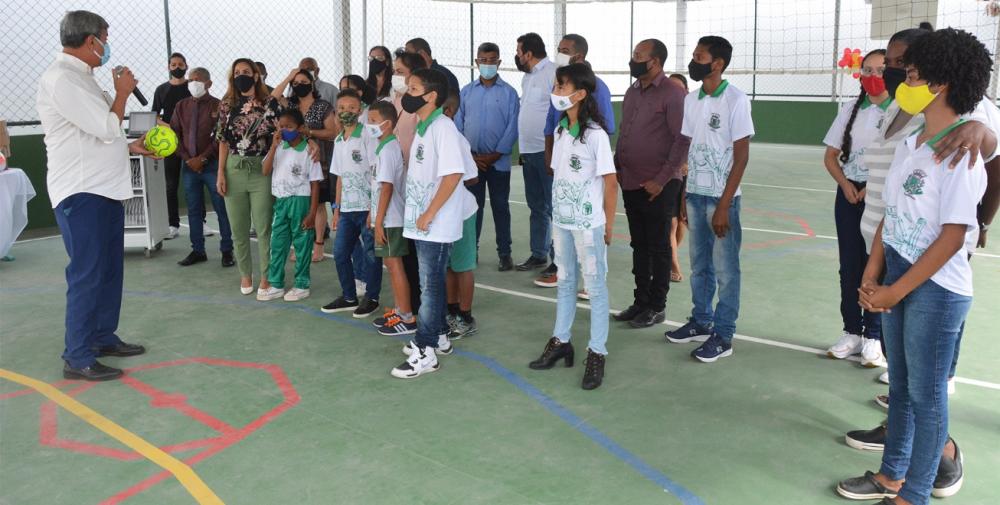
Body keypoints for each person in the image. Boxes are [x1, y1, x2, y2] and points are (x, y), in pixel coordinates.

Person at [838, 23, 999, 500]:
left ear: (940, 83)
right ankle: (892, 475)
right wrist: (873, 271)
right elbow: (892, 214)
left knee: (927, 399)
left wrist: (897, 289)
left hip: (935, 292)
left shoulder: (961, 152)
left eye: (909, 74)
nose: (900, 82)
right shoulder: (911, 144)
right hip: (897, 278)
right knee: (904, 391)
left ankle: (917, 492)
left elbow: (953, 237)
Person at [37, 10, 154, 381]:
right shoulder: (62, 80)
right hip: (82, 192)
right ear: (91, 41)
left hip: (104, 187)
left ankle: (103, 336)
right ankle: (78, 355)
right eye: (105, 35)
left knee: (108, 269)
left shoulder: (84, 78)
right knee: (87, 273)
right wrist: (121, 93)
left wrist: (132, 145)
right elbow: (106, 127)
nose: (107, 44)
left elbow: (97, 134)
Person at [665, 36, 754, 363]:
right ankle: (701, 321)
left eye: (699, 56)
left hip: (721, 199)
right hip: (696, 194)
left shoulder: (736, 100)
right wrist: (685, 192)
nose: (693, 60)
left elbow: (742, 157)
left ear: (716, 63)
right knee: (699, 265)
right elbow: (687, 146)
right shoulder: (691, 100)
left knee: (726, 270)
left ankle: (724, 333)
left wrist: (723, 205)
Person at [528, 63, 617, 390]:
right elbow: (561, 176)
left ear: (580, 94)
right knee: (565, 281)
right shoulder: (562, 131)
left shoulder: (596, 135)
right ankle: (561, 340)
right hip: (563, 223)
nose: (555, 93)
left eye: (561, 87)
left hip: (589, 224)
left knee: (594, 287)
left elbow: (610, 183)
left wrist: (608, 223)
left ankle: (597, 352)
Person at [391, 69, 470, 379]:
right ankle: (438, 336)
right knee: (431, 281)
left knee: (430, 285)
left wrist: (429, 213)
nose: (406, 92)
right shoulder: (424, 126)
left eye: (412, 88)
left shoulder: (443, 128)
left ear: (431, 96)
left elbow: (453, 175)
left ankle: (427, 352)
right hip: (422, 222)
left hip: (434, 223)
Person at [612, 39, 689, 329]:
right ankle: (640, 301)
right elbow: (625, 131)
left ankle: (657, 306)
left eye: (638, 56)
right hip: (630, 181)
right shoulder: (632, 92)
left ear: (655, 62)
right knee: (639, 244)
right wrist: (619, 164)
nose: (633, 60)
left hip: (659, 184)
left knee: (658, 246)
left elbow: (683, 139)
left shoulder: (672, 93)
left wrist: (661, 179)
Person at [822, 49, 892, 368]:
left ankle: (874, 336)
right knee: (849, 265)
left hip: (881, 199)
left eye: (880, 70)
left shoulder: (902, 112)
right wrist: (846, 185)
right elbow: (830, 156)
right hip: (849, 197)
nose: (873, 77)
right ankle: (852, 330)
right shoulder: (851, 109)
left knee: (876, 266)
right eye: (867, 70)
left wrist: (871, 187)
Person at [539, 33, 616, 288]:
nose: (559, 53)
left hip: (585, 169)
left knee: (588, 226)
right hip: (563, 159)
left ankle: (592, 282)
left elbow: (605, 127)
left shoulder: (598, 88)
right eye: (558, 48)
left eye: (564, 49)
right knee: (562, 219)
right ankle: (560, 268)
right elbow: (553, 123)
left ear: (579, 55)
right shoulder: (559, 86)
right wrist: (552, 154)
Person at [215, 58, 281, 296]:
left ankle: (266, 275)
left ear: (255, 75)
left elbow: (281, 134)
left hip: (261, 169)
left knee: (263, 226)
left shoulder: (270, 103)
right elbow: (222, 141)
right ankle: (245, 274)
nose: (241, 75)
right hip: (234, 169)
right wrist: (221, 173)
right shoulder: (226, 104)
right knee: (238, 227)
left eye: (246, 71)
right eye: (236, 72)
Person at [454, 42, 520, 272]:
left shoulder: (510, 93)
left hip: (498, 163)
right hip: (471, 163)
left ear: (499, 62)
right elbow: (458, 125)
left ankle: (505, 254)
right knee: (474, 208)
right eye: (483, 60)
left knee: (501, 207)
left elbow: (513, 127)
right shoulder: (466, 91)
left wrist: (494, 155)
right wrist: (470, 156)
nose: (487, 64)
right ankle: (472, 251)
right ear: (476, 62)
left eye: (492, 60)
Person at [322, 90, 382, 318]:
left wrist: (373, 208)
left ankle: (372, 297)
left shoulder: (367, 135)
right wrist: (336, 210)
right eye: (342, 108)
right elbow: (339, 178)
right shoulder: (338, 140)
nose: (346, 112)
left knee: (370, 254)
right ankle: (348, 296)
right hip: (346, 209)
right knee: (340, 253)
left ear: (360, 111)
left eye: (352, 108)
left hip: (366, 208)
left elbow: (377, 173)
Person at [270, 68, 339, 263]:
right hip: (292, 165)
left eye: (303, 81)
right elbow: (273, 96)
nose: (299, 85)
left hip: (319, 160)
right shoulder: (290, 106)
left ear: (312, 83)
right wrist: (289, 76)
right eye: (296, 82)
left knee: (317, 204)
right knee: (300, 204)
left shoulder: (322, 106)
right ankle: (301, 243)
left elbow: (332, 133)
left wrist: (308, 133)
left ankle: (318, 244)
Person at [257, 108, 323, 302]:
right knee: (277, 243)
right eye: (282, 126)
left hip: (300, 201)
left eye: (289, 126)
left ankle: (302, 284)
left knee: (302, 244)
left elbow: (315, 184)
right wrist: (273, 147)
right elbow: (265, 170)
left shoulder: (309, 151)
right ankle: (276, 283)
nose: (285, 130)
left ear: (300, 128)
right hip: (281, 201)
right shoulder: (279, 148)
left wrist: (312, 213)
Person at [171, 67, 234, 268]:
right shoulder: (181, 106)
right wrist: (188, 158)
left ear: (209, 83)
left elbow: (221, 137)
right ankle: (198, 250)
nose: (192, 83)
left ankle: (227, 250)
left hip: (213, 165)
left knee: (221, 208)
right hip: (189, 166)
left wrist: (203, 159)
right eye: (190, 80)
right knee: (194, 210)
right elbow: (174, 135)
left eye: (197, 80)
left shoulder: (219, 106)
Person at [367, 101, 415, 335]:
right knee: (390, 263)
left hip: (391, 218)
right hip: (384, 217)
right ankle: (399, 310)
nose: (369, 125)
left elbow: (386, 187)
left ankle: (406, 316)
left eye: (374, 121)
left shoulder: (388, 149)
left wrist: (378, 221)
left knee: (395, 266)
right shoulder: (383, 147)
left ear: (388, 124)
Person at [514, 32, 557, 275]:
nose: (518, 56)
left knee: (552, 206)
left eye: (519, 52)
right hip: (529, 151)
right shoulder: (527, 78)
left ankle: (557, 259)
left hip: (546, 152)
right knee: (536, 206)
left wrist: (552, 152)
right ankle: (539, 254)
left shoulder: (552, 72)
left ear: (529, 54)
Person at [442, 89, 480, 340]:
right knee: (448, 266)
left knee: (463, 265)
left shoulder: (456, 140)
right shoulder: (432, 135)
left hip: (462, 212)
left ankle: (466, 316)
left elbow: (472, 177)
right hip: (444, 215)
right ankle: (451, 310)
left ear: (448, 112)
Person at [151, 52, 191, 240]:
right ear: (168, 67)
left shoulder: (192, 88)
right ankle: (173, 224)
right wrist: (170, 128)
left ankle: (201, 222)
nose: (176, 67)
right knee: (171, 184)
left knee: (194, 183)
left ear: (186, 66)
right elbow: (155, 116)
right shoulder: (161, 90)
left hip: (191, 142)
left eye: (180, 64)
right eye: (173, 64)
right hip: (170, 144)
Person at [668, 73, 690, 283]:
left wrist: (686, 163)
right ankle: (673, 263)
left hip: (684, 174)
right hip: (665, 173)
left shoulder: (692, 111)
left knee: (680, 221)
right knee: (670, 223)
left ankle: (670, 254)